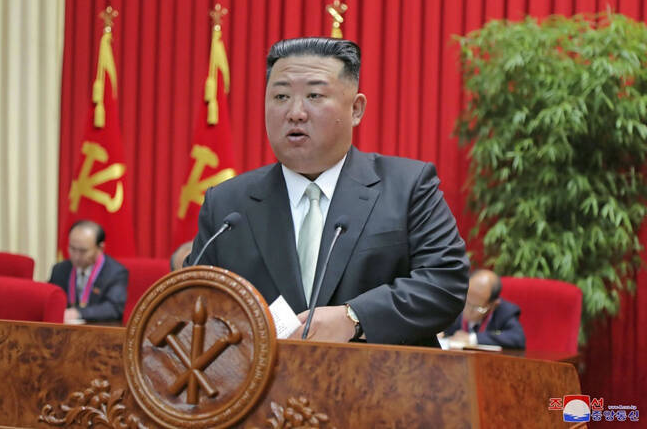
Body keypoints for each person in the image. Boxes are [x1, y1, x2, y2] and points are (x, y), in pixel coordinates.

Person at [185, 37, 469, 346]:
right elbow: (191, 305)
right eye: (280, 96)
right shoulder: (226, 204)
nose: (295, 112)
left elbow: (444, 284)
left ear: (356, 109)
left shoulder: (408, 186)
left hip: (381, 375)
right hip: (263, 376)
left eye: (314, 95)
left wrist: (355, 318)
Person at [49, 220, 128, 324]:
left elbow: (114, 308)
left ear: (100, 248)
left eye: (83, 251)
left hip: (98, 329)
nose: (76, 256)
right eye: (72, 248)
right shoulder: (60, 269)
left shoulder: (115, 272)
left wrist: (79, 313)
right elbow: (50, 300)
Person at [442, 269, 526, 349]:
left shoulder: (505, 311)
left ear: (493, 305)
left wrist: (472, 338)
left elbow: (517, 338)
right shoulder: (455, 300)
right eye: (466, 302)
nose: (467, 310)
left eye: (476, 307)